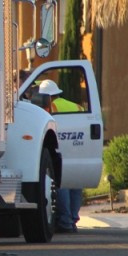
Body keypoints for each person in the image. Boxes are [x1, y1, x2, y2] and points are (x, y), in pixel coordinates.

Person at [38, 79, 83, 233]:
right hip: (77, 150)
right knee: (75, 185)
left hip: (60, 150)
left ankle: (65, 221)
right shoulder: (77, 106)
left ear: (47, 97)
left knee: (62, 185)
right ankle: (73, 219)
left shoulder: (50, 107)